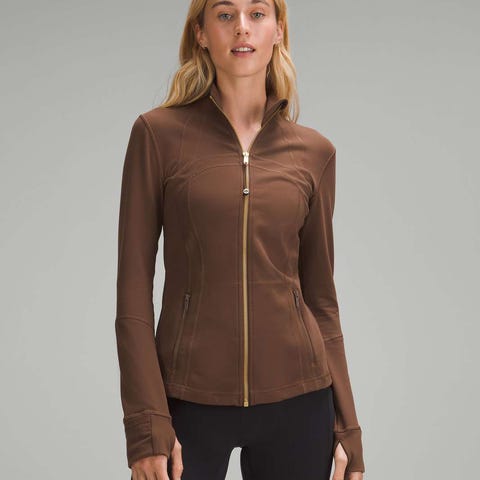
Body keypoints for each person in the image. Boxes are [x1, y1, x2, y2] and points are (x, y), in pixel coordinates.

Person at [114, 1, 366, 479]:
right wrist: (146, 424)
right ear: (201, 33)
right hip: (187, 400)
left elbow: (321, 299)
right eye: (226, 14)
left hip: (300, 400)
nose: (242, 28)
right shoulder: (158, 136)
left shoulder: (314, 153)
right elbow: (132, 296)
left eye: (258, 13)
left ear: (278, 30)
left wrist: (347, 426)